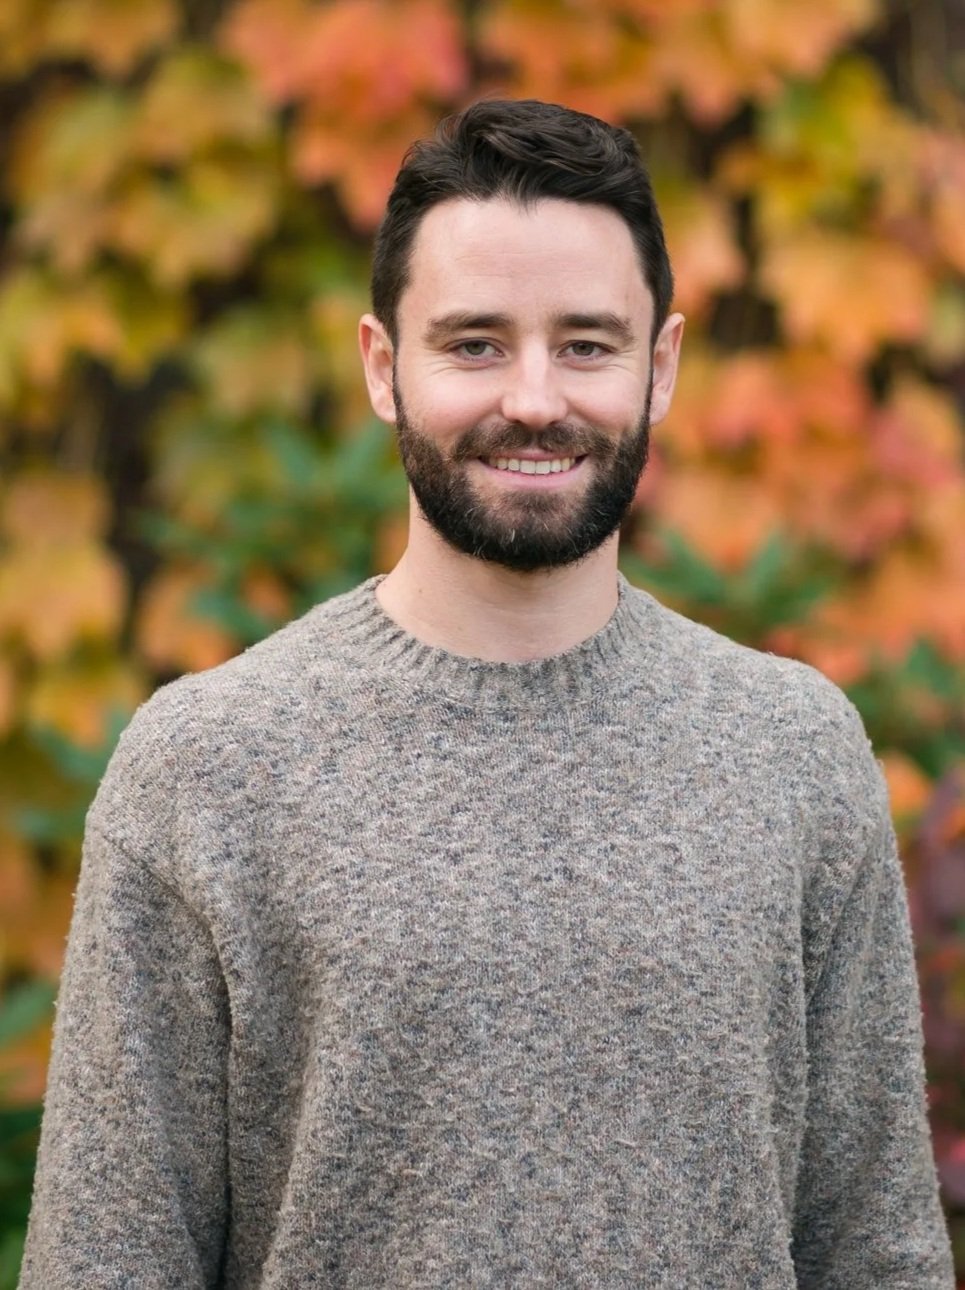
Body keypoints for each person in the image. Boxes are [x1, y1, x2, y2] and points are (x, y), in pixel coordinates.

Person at [20, 99, 953, 1288]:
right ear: (380, 367)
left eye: (584, 343)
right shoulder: (210, 763)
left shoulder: (791, 748)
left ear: (658, 368)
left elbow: (874, 1251)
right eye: (472, 343)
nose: (532, 396)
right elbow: (107, 1262)